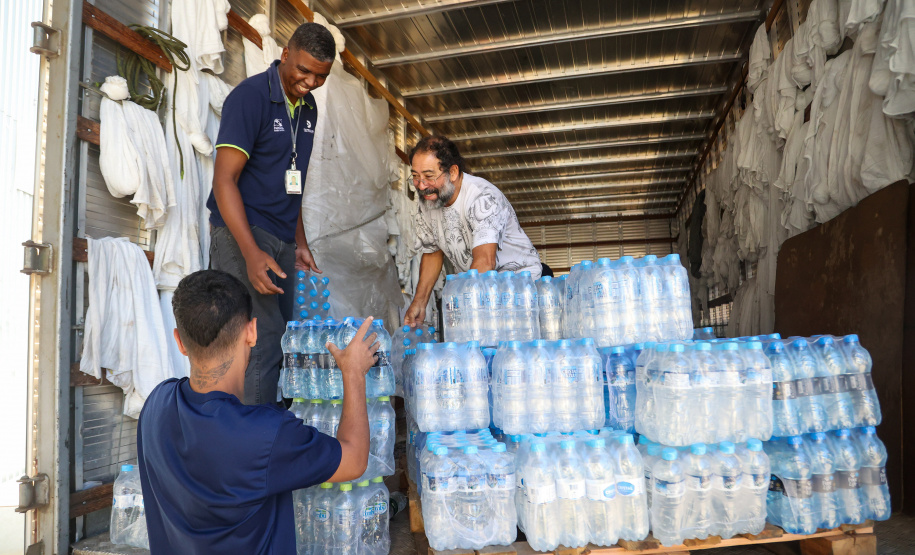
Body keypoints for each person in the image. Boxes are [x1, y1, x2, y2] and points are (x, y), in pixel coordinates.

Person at [137, 270, 377, 554]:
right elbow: (354, 459)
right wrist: (353, 373)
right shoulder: (267, 435)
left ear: (179, 341)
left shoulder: (155, 404)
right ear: (251, 332)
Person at [207, 22, 335, 405]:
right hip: (243, 233)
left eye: (321, 76)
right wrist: (249, 252)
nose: (310, 82)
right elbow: (223, 181)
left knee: (281, 339)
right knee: (260, 341)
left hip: (280, 240)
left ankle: (270, 432)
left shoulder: (307, 108)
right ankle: (256, 446)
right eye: (304, 70)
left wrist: (299, 243)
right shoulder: (250, 98)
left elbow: (291, 181)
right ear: (285, 55)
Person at [404, 135, 547, 325]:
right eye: (415, 176)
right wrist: (419, 303)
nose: (421, 186)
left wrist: (464, 306)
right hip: (481, 292)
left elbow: (485, 261)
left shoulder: (481, 198)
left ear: (453, 172)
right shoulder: (429, 201)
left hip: (519, 291)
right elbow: (432, 253)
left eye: (429, 176)